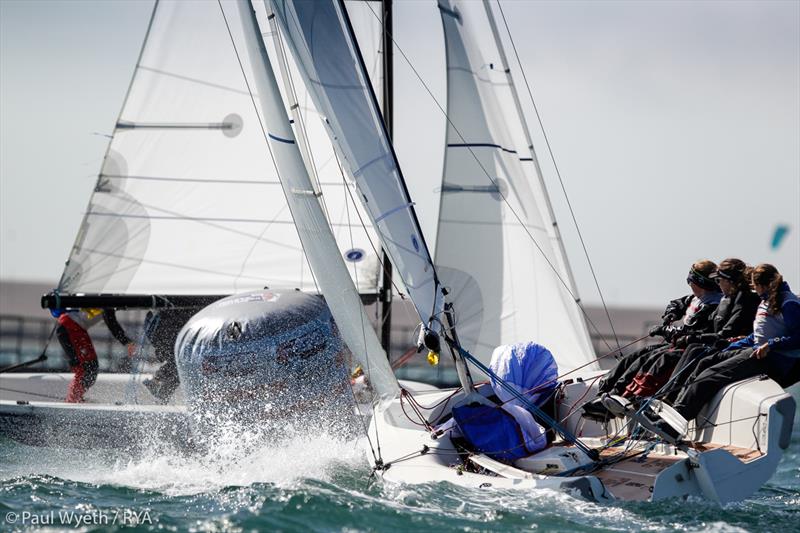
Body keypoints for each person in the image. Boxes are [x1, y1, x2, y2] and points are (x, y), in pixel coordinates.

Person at [652, 263, 800, 436]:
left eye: (755, 286)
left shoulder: (788, 302)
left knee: (711, 375)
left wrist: (772, 345)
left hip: (770, 359)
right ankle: (674, 411)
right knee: (706, 361)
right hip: (756, 349)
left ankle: (674, 426)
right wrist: (727, 349)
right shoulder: (768, 300)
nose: (755, 290)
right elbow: (758, 336)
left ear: (761, 285)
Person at [583, 260, 721, 420]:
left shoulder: (715, 303)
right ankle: (607, 395)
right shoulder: (697, 298)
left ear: (700, 283)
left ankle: (630, 398)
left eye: (690, 281)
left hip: (691, 349)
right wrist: (671, 314)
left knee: (657, 361)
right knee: (635, 357)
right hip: (679, 345)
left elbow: (693, 331)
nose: (689, 285)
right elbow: (677, 303)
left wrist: (666, 331)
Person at [625, 258, 760, 399]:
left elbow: (724, 334)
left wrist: (688, 336)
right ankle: (630, 392)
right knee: (649, 353)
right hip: (712, 344)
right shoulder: (726, 299)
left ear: (729, 281)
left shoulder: (742, 301)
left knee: (679, 355)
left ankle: (668, 397)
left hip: (729, 348)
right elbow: (703, 323)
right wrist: (673, 319)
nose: (717, 284)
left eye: (719, 280)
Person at [53, 307, 135, 402]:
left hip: (75, 327)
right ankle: (72, 400)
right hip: (70, 325)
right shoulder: (108, 299)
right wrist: (127, 342)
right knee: (86, 368)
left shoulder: (108, 299)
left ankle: (76, 397)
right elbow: (111, 322)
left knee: (91, 367)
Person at [142, 307, 200, 402]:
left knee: (181, 362)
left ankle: (160, 387)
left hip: (166, 330)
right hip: (166, 330)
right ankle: (160, 387)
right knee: (181, 362)